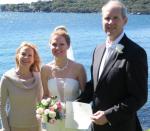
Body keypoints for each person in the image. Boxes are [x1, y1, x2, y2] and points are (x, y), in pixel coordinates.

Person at [78, 0, 148, 131]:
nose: (110, 22)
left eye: (115, 18)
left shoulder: (136, 53)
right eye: (107, 18)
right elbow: (95, 86)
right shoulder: (97, 50)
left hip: (121, 126)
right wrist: (72, 105)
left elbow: (139, 97)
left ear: (125, 21)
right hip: (96, 126)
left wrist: (108, 116)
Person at [41, 26, 87, 131]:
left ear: (68, 46)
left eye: (61, 44)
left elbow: (85, 95)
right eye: (54, 44)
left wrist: (72, 112)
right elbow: (45, 96)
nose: (57, 48)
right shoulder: (45, 69)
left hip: (75, 119)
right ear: (49, 46)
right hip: (53, 119)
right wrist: (45, 112)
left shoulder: (79, 68)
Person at [0, 42, 43, 131]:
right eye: (23, 54)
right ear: (17, 55)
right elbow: (1, 107)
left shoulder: (39, 77)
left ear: (34, 59)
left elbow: (41, 103)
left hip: (35, 127)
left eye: (30, 55)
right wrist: (6, 128)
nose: (26, 57)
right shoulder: (7, 78)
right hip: (14, 127)